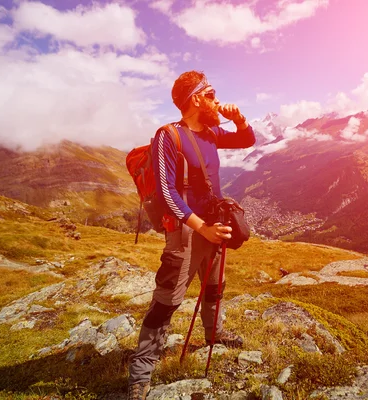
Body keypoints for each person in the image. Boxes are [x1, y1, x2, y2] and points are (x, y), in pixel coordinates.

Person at [127, 70, 256, 400]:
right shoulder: (167, 137)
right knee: (167, 300)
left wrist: (239, 120)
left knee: (214, 287)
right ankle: (140, 373)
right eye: (211, 93)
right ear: (196, 99)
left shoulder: (212, 132)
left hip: (214, 226)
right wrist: (203, 228)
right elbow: (168, 194)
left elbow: (246, 141)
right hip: (187, 231)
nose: (216, 98)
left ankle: (215, 334)